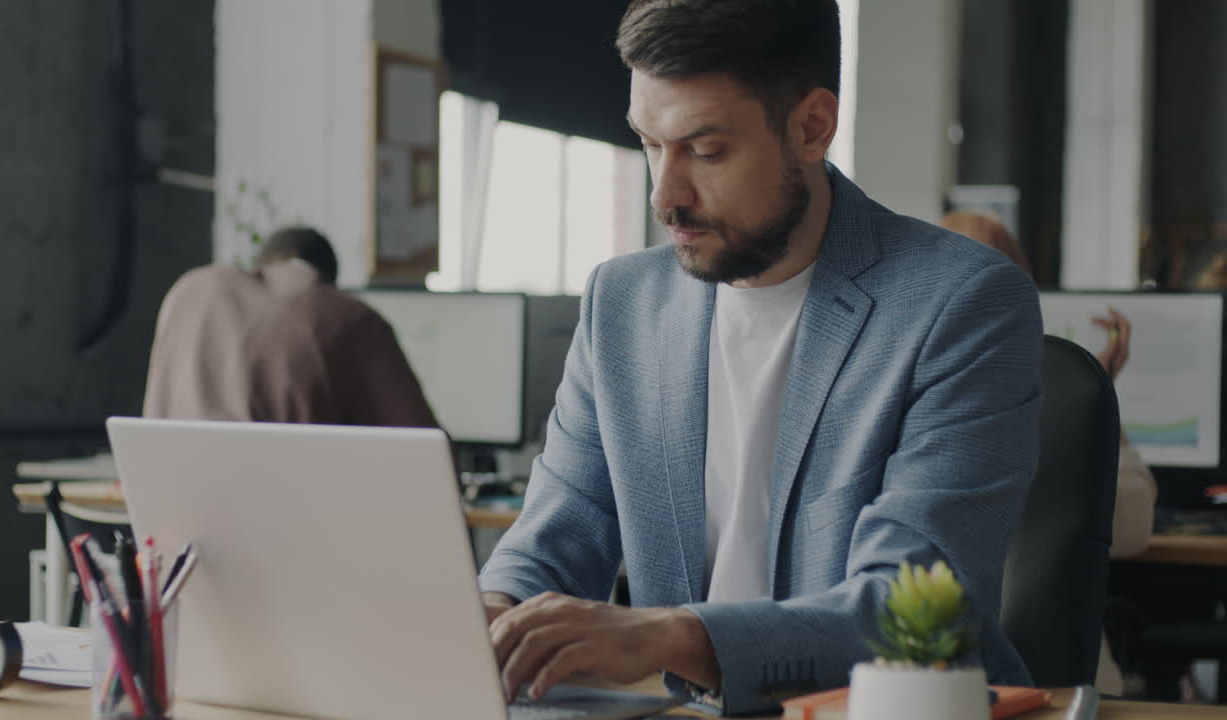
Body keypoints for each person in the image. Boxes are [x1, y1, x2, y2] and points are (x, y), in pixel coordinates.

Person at [478, 2, 1043, 714]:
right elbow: (554, 536)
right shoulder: (621, 303)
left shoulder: (961, 303)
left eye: (705, 151)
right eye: (650, 145)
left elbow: (906, 610)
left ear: (812, 128)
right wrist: (495, 612)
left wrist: (666, 635)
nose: (665, 195)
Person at [938, 209, 1157, 696]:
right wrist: (1094, 412)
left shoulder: (903, 394)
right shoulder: (1050, 394)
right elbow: (1131, 526)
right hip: (1059, 693)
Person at [142, 226, 438, 428]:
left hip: (170, 512)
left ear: (262, 264)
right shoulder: (352, 317)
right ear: (327, 281)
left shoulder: (188, 291)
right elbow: (427, 455)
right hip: (288, 511)